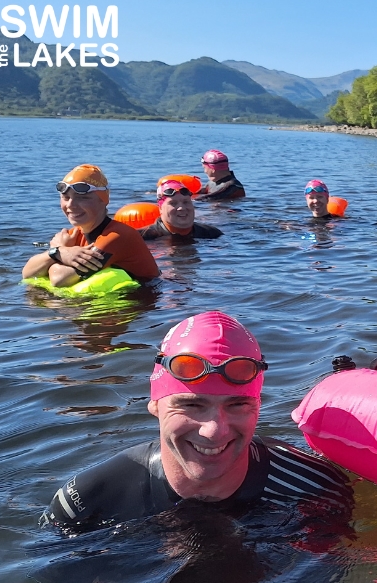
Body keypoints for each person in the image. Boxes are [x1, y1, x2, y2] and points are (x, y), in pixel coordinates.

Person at [40, 311, 352, 535]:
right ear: (155, 405)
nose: (214, 430)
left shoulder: (316, 490)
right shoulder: (87, 501)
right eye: (191, 404)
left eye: (237, 405)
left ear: (257, 408)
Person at [22, 164, 161, 286]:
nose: (71, 205)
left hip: (146, 306)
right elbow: (27, 273)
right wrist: (58, 252)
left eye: (83, 198)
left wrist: (61, 249)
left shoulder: (117, 236)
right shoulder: (74, 234)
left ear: (104, 201)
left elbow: (59, 279)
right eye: (66, 198)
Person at [140, 179, 223, 241]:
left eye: (186, 202)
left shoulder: (212, 234)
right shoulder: (143, 238)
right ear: (160, 208)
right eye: (173, 203)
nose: (182, 208)